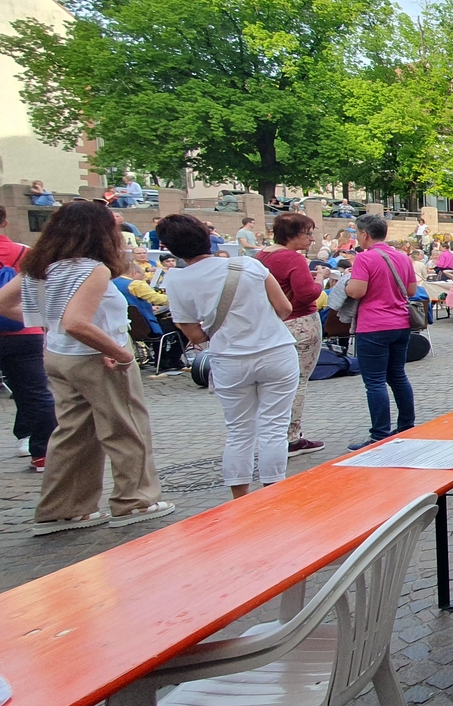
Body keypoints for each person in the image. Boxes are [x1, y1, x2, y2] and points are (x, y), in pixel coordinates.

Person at [0, 201, 173, 534]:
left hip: (60, 356)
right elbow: (77, 322)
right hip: (96, 356)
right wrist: (118, 352)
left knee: (72, 432)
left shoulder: (40, 265)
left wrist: (48, 324)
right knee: (125, 425)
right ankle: (135, 499)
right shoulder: (93, 269)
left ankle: (62, 508)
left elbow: (0, 302)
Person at [162, 215, 298, 498]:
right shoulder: (248, 265)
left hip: (229, 358)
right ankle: (274, 492)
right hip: (275, 350)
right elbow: (284, 308)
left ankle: (240, 499)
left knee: (239, 431)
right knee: (274, 427)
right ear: (207, 237)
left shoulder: (176, 279)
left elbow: (193, 333)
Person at [343, 214, 418, 450]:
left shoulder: (365, 259)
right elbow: (412, 290)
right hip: (400, 323)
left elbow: (356, 291)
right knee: (397, 375)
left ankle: (379, 433)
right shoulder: (402, 257)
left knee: (374, 381)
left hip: (374, 325)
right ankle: (407, 425)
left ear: (365, 234)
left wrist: (346, 283)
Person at [256, 212, 326, 456]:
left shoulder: (262, 256)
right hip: (300, 322)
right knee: (297, 381)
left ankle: (274, 432)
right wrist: (320, 280)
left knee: (276, 382)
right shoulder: (292, 259)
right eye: (307, 234)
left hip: (274, 323)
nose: (311, 239)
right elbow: (307, 294)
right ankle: (291, 436)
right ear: (291, 235)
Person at [0, 202, 54, 472]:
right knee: (36, 393)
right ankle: (43, 453)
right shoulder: (26, 253)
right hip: (25, 329)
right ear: (5, 222)